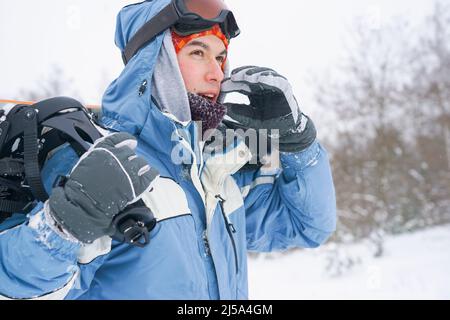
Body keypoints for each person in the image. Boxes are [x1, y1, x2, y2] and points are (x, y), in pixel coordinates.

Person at [0, 0, 336, 300]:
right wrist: (64, 224)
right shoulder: (95, 160)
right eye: (197, 52)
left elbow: (306, 225)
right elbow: (17, 289)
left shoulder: (215, 171)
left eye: (220, 57)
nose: (216, 73)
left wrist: (298, 142)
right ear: (155, 61)